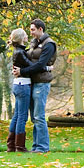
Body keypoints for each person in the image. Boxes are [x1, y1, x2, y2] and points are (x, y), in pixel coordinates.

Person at [12, 18, 56, 153]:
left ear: (40, 29)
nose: (30, 33)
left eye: (32, 30)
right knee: (34, 117)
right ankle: (36, 146)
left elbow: (40, 64)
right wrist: (16, 68)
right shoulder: (34, 43)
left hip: (41, 83)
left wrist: (22, 71)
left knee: (39, 116)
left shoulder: (49, 44)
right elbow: (25, 59)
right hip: (31, 83)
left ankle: (42, 147)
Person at [6, 28, 33, 152]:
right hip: (23, 85)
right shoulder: (20, 53)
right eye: (26, 35)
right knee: (22, 117)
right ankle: (19, 146)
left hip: (18, 85)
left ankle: (11, 145)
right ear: (22, 38)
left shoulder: (18, 51)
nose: (28, 36)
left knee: (16, 116)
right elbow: (32, 66)